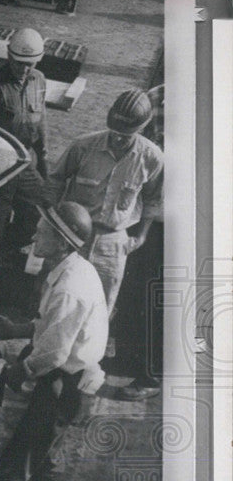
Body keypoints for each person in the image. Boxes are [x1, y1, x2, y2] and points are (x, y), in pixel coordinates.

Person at [0, 202, 108, 481]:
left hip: (63, 386)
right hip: (74, 383)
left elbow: (54, 354)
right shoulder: (74, 269)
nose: (34, 235)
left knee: (11, 471)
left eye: (42, 231)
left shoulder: (69, 287)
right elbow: (52, 328)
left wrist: (13, 374)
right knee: (47, 464)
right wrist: (14, 329)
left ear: (62, 242)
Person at [46, 89, 164, 318]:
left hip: (114, 242)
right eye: (115, 131)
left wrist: (141, 236)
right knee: (57, 297)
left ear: (141, 129)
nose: (118, 138)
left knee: (99, 304)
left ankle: (88, 351)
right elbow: (56, 180)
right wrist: (52, 224)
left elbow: (153, 199)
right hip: (73, 236)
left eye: (126, 134)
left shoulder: (151, 157)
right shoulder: (83, 146)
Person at [0, 26, 53, 318]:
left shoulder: (39, 81)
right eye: (19, 62)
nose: (23, 69)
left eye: (29, 64)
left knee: (38, 215)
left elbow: (40, 124)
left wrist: (43, 166)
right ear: (8, 56)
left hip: (25, 164)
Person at [113, 84, 164, 400]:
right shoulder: (157, 98)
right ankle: (126, 357)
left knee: (160, 299)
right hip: (145, 215)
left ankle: (151, 375)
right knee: (130, 290)